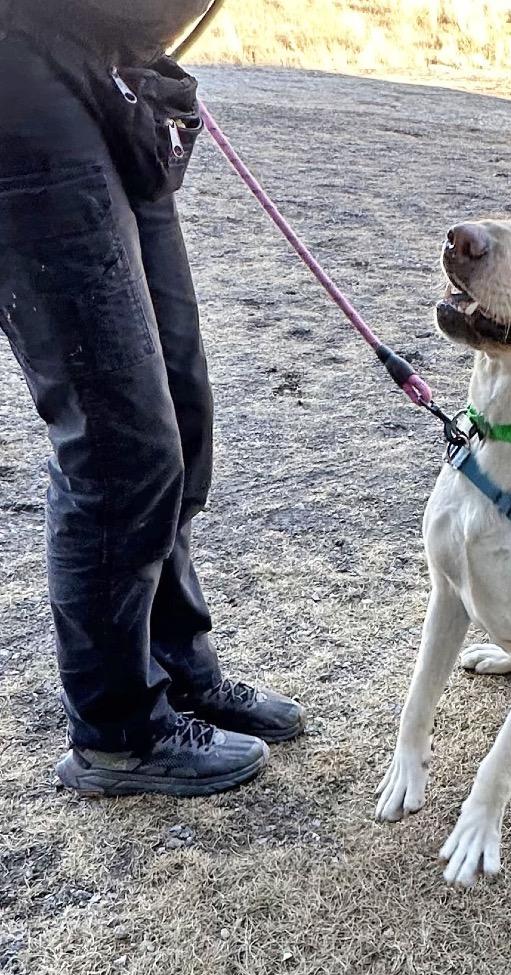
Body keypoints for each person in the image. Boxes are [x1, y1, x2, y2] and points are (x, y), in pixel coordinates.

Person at [0, 0, 305, 797]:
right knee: (118, 437)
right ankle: (118, 731)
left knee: (181, 404)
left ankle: (178, 669)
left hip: (116, 64)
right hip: (20, 70)